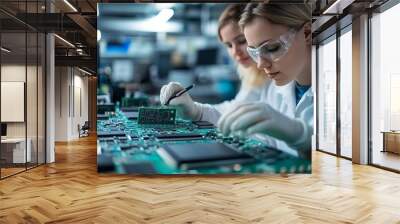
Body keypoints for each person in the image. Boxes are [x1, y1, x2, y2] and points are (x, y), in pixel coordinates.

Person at [217, 3, 313, 156]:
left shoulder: (345, 85)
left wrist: (302, 136)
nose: (261, 65)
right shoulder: (274, 91)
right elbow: (265, 146)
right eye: (254, 52)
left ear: (307, 33)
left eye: (272, 48)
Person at [159, 4, 269, 125]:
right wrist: (196, 111)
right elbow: (236, 109)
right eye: (228, 45)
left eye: (242, 41)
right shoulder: (252, 74)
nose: (235, 51)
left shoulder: (279, 74)